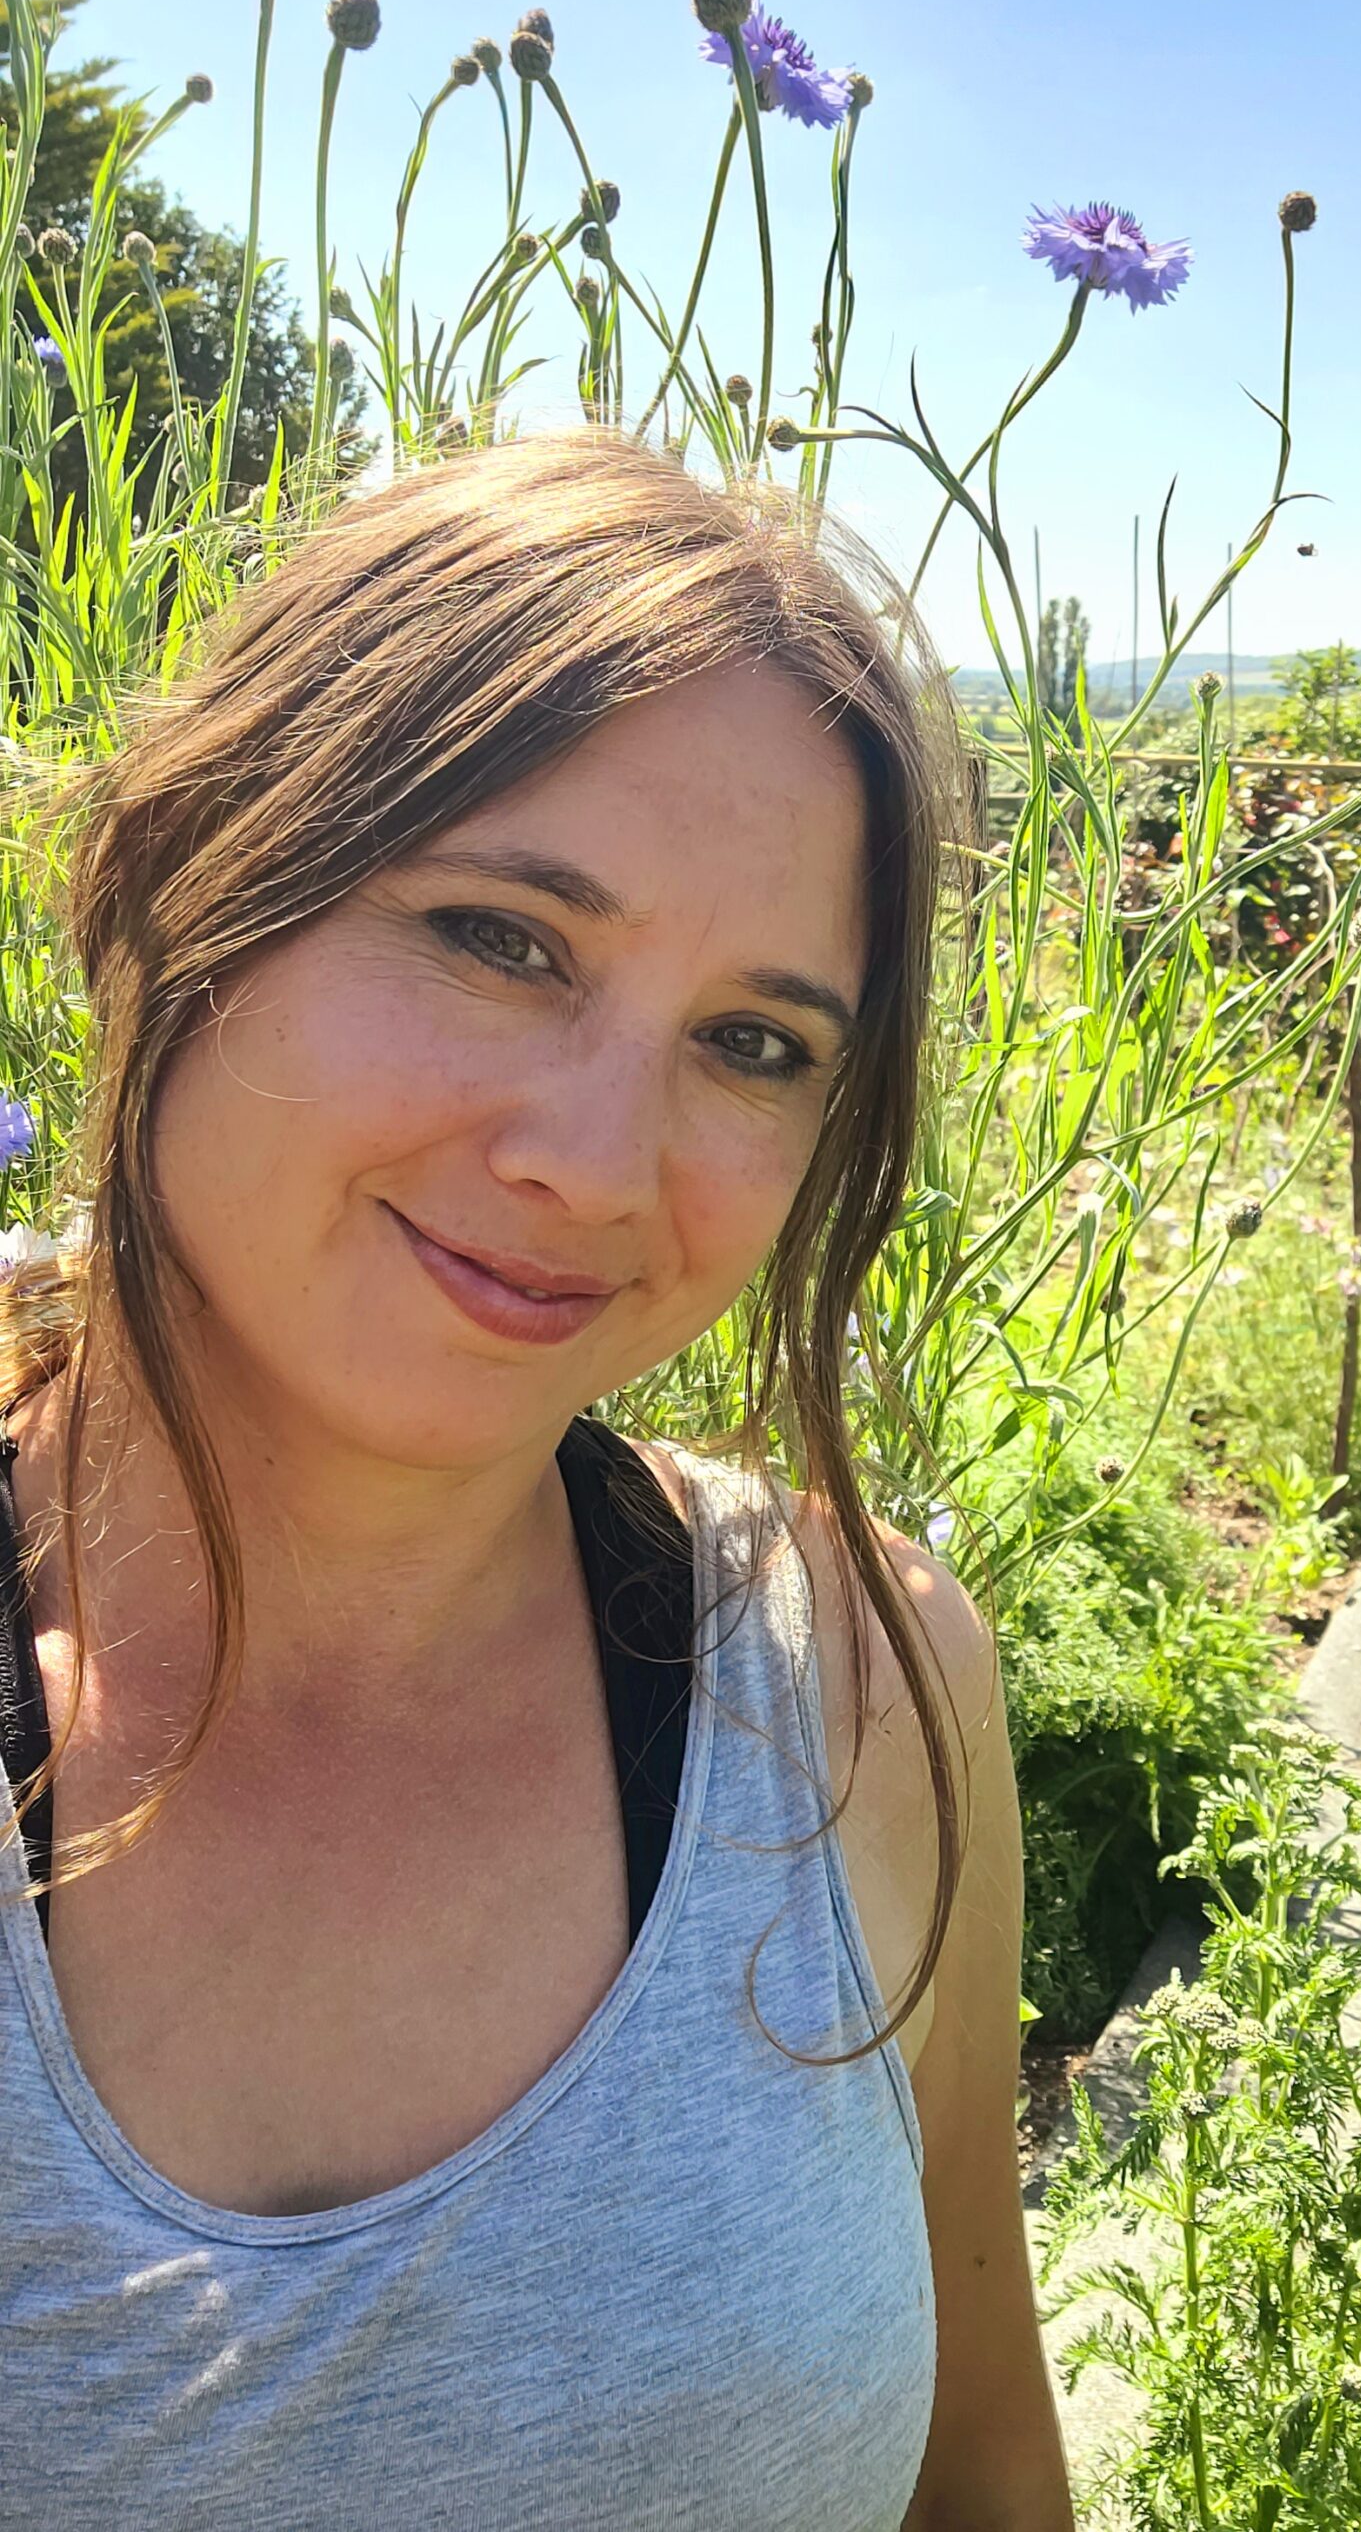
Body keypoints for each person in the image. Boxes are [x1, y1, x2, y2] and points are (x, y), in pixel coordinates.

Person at [0, 428, 1075, 2528]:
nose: (596, 1163)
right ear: (179, 877)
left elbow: (981, 2473)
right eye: (502, 938)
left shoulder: (856, 1679)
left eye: (755, 1044)